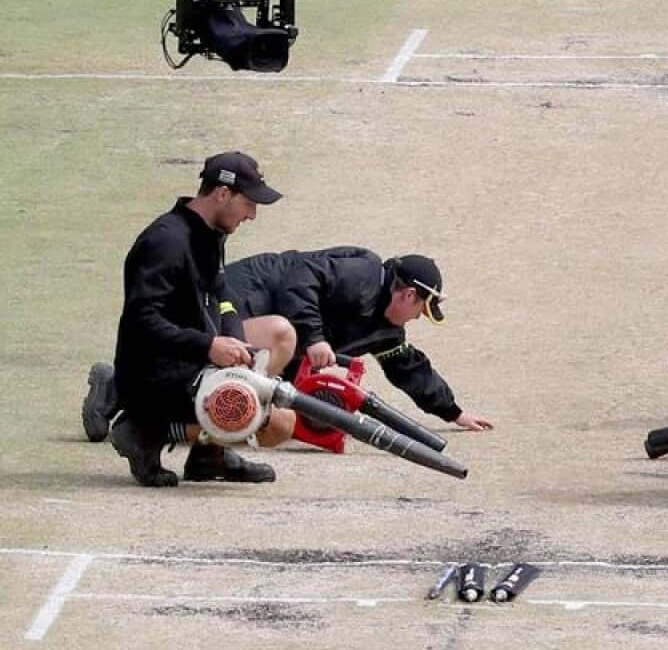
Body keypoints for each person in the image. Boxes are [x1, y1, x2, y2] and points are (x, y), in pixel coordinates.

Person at [102, 151, 299, 487]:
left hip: (194, 361)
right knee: (276, 424)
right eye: (249, 203)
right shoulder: (165, 241)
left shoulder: (210, 234)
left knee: (277, 356)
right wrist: (208, 346)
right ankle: (141, 430)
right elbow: (142, 321)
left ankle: (208, 456)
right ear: (222, 194)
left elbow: (225, 297)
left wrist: (238, 345)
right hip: (157, 376)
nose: (252, 215)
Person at [225, 247, 493, 430]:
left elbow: (409, 368)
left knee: (288, 418)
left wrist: (453, 413)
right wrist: (314, 338)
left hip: (273, 330)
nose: (417, 318)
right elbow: (299, 281)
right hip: (241, 299)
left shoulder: (386, 329)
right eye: (420, 311)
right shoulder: (362, 274)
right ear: (408, 295)